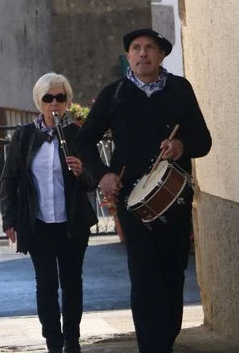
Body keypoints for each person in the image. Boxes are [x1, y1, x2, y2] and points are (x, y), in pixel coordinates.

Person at [78, 28, 212, 353]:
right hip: (133, 201)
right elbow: (84, 141)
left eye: (149, 47)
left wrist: (182, 145)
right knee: (143, 275)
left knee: (173, 273)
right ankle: (151, 347)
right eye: (136, 48)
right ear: (128, 56)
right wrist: (104, 175)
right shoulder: (114, 94)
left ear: (161, 55)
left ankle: (165, 341)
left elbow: (204, 141)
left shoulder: (180, 89)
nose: (142, 53)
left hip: (175, 199)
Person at [0, 73, 98, 353]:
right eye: (48, 98)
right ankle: (53, 341)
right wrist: (9, 219)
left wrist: (81, 172)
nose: (54, 104)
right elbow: (10, 178)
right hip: (39, 222)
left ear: (67, 102)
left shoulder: (78, 135)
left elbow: (93, 180)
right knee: (45, 283)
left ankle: (72, 340)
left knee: (72, 282)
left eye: (60, 98)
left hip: (72, 223)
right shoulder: (25, 136)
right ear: (39, 102)